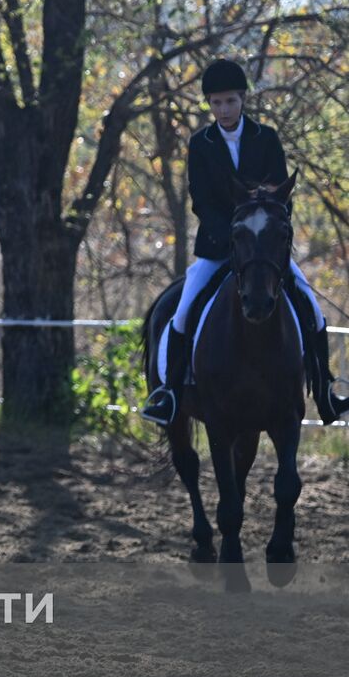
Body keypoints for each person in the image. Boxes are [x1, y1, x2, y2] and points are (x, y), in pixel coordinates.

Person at [141, 58, 349, 425]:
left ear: (242, 100)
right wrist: (229, 237)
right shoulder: (201, 144)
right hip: (218, 247)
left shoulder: (266, 138)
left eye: (230, 101)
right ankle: (170, 394)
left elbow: (283, 196)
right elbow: (201, 199)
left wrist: (263, 234)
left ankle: (324, 391)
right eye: (216, 103)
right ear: (210, 104)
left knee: (312, 309)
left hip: (264, 249)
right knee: (182, 311)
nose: (223, 110)